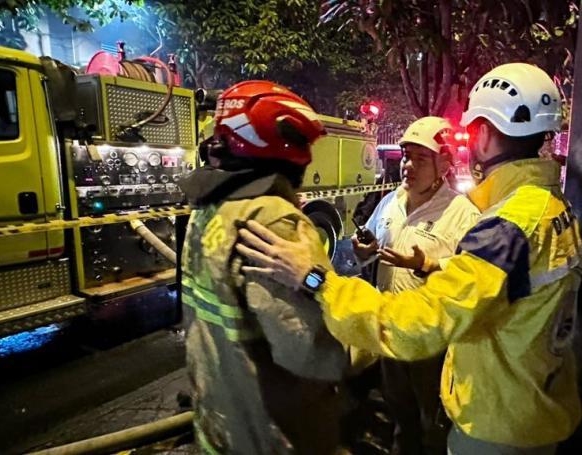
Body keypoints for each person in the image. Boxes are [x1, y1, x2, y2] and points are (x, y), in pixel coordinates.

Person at [236, 63, 582, 454]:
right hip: (532, 403)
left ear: (484, 133)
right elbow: (503, 283)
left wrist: (316, 280)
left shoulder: (505, 227)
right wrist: (428, 265)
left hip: (498, 424)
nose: (409, 164)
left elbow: (419, 323)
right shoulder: (551, 208)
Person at [180, 80, 347, 454]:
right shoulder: (274, 220)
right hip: (273, 435)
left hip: (219, 425)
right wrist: (363, 345)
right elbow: (307, 349)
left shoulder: (207, 211)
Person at [352, 116, 479, 455]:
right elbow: (372, 245)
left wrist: (426, 266)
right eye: (407, 156)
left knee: (433, 425)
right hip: (391, 334)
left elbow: (474, 278)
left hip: (431, 346)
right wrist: (364, 251)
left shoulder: (463, 214)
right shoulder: (391, 202)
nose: (407, 166)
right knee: (400, 418)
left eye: (420, 158)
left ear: (444, 162)